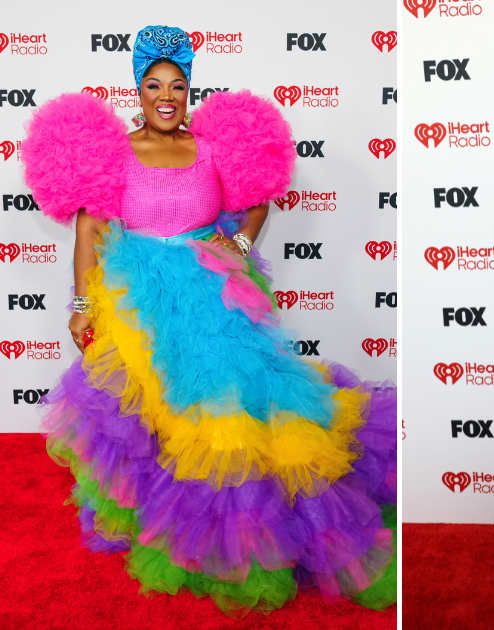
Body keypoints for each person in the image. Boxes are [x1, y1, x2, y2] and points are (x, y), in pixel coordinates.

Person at [21, 25, 396, 614]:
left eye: (177, 85)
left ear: (189, 90)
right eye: (153, 86)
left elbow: (258, 201)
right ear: (137, 92)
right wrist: (81, 305)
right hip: (137, 299)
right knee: (148, 415)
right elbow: (90, 229)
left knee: (229, 414)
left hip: (214, 297)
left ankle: (247, 532)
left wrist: (240, 251)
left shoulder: (213, 150)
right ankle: (162, 519)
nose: (166, 96)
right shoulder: (115, 152)